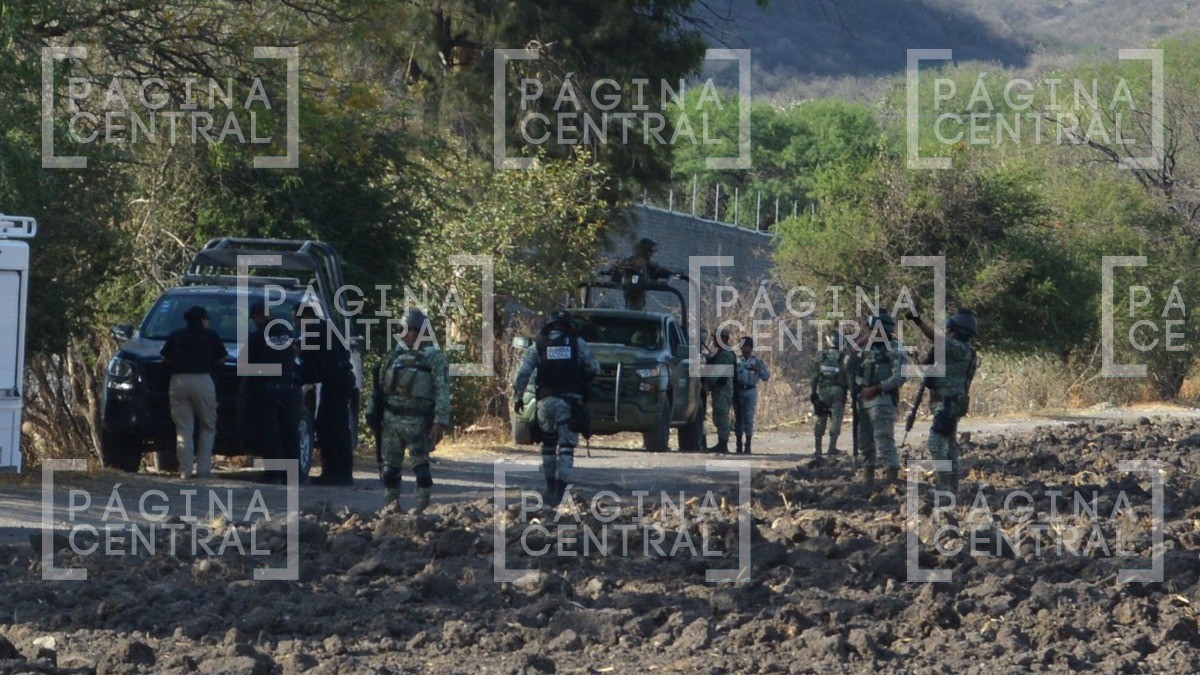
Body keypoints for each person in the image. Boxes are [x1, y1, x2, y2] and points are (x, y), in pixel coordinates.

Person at [512, 309, 600, 507]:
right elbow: (594, 368)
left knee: (548, 447)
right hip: (570, 404)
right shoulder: (577, 343)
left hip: (544, 402)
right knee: (566, 449)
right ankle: (560, 493)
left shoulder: (539, 345)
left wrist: (518, 397)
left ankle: (550, 488)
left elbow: (522, 374)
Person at [370, 308, 450, 514]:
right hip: (391, 421)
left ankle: (421, 507)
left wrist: (440, 421)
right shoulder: (392, 356)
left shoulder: (434, 358)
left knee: (421, 470)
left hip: (418, 421)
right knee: (389, 470)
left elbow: (442, 390)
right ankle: (391, 506)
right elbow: (379, 389)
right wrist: (372, 413)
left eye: (413, 331)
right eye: (405, 330)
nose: (408, 335)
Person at [906, 307, 979, 493]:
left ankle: (942, 486)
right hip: (952, 403)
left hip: (947, 403)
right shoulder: (963, 351)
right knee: (950, 445)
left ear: (957, 330)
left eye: (949, 330)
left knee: (936, 442)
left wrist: (918, 321)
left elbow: (937, 340)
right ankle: (951, 488)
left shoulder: (958, 348)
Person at [160, 306, 227, 479]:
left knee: (184, 429)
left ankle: (185, 470)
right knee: (207, 426)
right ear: (203, 320)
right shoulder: (211, 335)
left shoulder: (176, 335)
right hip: (203, 380)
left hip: (178, 381)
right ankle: (203, 469)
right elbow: (222, 359)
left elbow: (165, 357)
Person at [295, 302, 356, 486]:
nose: (296, 324)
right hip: (337, 381)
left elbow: (303, 352)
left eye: (296, 320)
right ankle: (332, 471)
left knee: (334, 426)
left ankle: (340, 473)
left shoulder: (316, 330)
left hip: (337, 382)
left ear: (305, 316)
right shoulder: (325, 328)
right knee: (326, 425)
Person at [245, 301, 301, 485]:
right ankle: (294, 474)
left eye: (253, 318)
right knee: (290, 432)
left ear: (258, 316)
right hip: (289, 389)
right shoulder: (287, 334)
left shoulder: (257, 336)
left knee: (270, 432)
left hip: (268, 390)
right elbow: (294, 353)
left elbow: (245, 365)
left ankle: (273, 474)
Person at [852, 310, 908, 487]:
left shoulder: (894, 348)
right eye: (871, 329)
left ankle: (892, 481)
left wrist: (877, 388)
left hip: (882, 400)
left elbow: (900, 377)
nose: (873, 333)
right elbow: (849, 359)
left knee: (884, 441)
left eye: (877, 330)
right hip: (864, 401)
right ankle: (867, 480)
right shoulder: (868, 348)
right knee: (865, 443)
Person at [809, 332, 849, 457]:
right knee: (836, 419)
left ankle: (818, 449)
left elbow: (814, 376)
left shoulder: (822, 356)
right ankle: (832, 447)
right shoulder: (844, 357)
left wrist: (814, 393)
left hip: (823, 391)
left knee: (820, 418)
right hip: (839, 391)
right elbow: (847, 376)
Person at [733, 337, 769, 455]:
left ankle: (747, 443)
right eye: (743, 346)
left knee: (749, 417)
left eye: (747, 346)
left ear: (751, 348)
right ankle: (738, 443)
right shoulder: (736, 361)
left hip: (750, 390)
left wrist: (757, 370)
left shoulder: (756, 361)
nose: (745, 348)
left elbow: (766, 376)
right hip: (738, 390)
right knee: (738, 417)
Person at [616, 238, 672, 310]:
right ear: (645, 251)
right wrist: (660, 283)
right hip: (635, 297)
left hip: (632, 296)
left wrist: (660, 268)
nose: (652, 254)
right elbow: (644, 281)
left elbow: (650, 264)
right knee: (637, 313)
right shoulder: (639, 263)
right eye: (650, 251)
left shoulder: (635, 260)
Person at [705, 327, 736, 453]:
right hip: (720, 389)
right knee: (718, 416)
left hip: (723, 389)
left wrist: (706, 383)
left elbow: (716, 373)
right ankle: (721, 443)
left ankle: (723, 444)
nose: (714, 340)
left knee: (722, 416)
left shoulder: (726, 355)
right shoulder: (721, 353)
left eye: (716, 338)